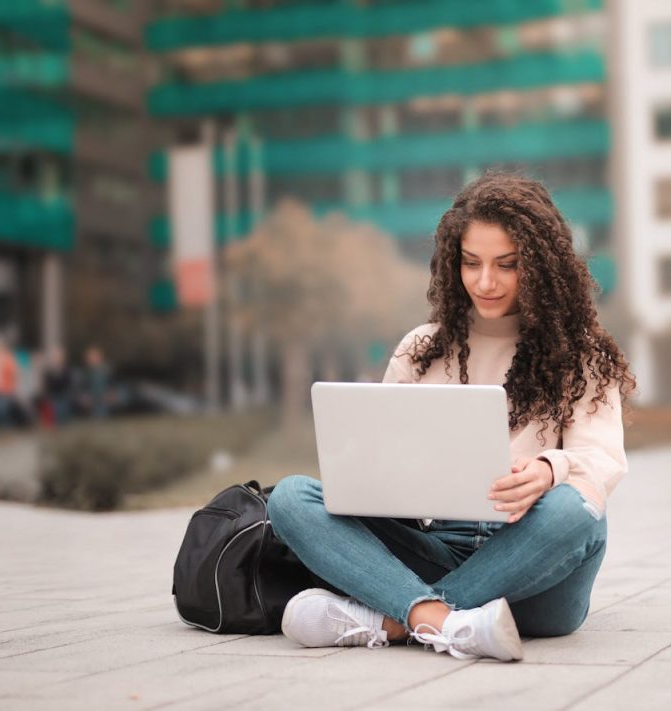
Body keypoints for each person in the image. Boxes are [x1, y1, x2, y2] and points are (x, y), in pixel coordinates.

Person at [267, 174, 635, 662]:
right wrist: (366, 470)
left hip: (537, 569)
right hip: (437, 546)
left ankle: (399, 620)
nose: (485, 282)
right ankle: (448, 624)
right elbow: (377, 456)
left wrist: (551, 470)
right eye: (471, 263)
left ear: (543, 267)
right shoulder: (422, 349)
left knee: (579, 512)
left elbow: (602, 460)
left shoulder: (580, 354)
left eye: (507, 265)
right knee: (291, 497)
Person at [42, 346, 74, 426]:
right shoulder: (49, 370)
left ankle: (63, 423)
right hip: (53, 394)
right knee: (56, 410)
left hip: (63, 393)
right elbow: (47, 383)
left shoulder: (66, 369)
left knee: (63, 410)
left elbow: (69, 382)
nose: (57, 359)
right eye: (56, 357)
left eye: (59, 357)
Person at [77, 346, 112, 418]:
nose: (93, 359)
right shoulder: (85, 373)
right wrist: (84, 397)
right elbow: (81, 388)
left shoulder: (107, 371)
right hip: (92, 398)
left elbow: (111, 384)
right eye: (91, 357)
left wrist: (110, 393)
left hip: (104, 397)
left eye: (95, 356)